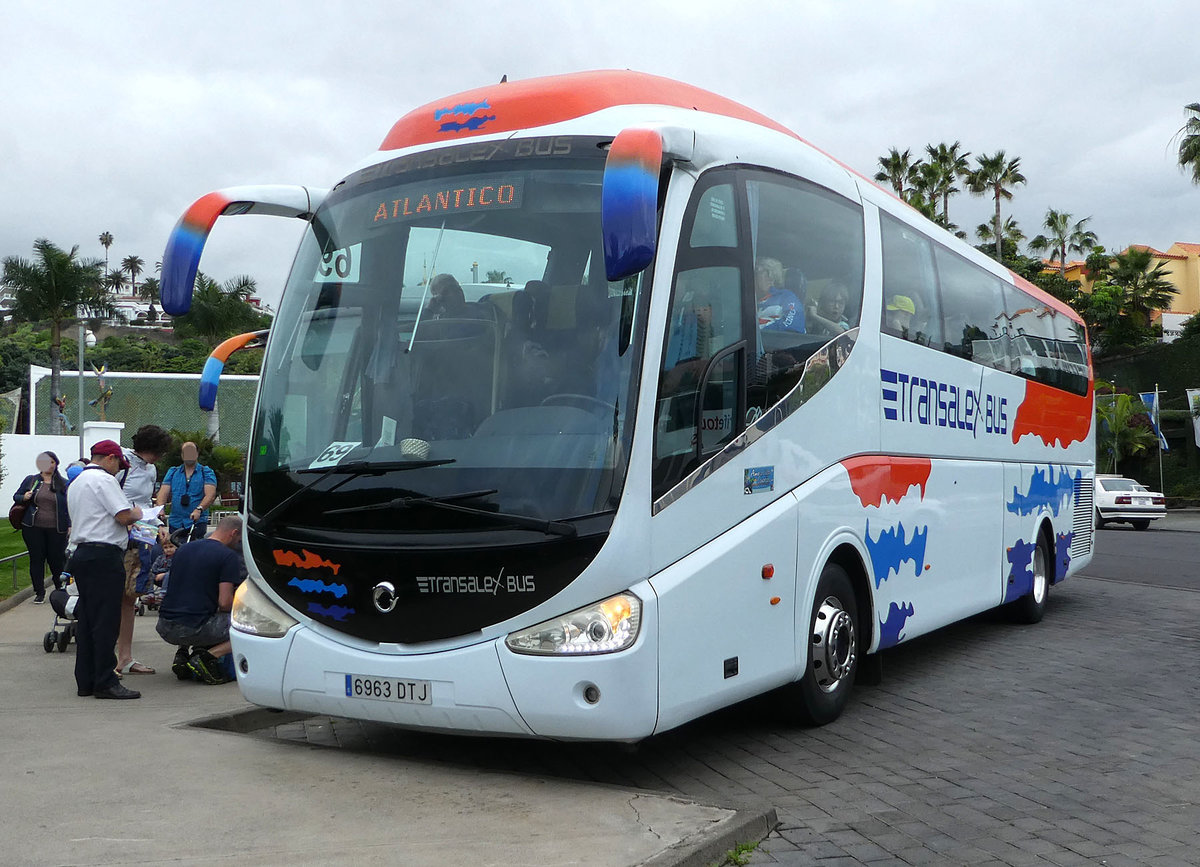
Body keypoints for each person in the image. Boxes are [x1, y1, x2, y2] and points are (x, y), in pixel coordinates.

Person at [66, 440, 144, 700]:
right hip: (104, 555)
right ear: (110, 458)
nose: (117, 471)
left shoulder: (76, 483)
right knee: (106, 621)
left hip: (83, 553)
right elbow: (122, 516)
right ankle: (105, 681)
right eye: (117, 465)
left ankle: (85, 680)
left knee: (88, 620)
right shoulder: (104, 480)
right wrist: (138, 512)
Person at [155, 515, 244, 684]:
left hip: (165, 626)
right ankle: (206, 657)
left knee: (195, 607)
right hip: (193, 628)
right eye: (239, 539)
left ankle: (182, 655)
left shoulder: (184, 549)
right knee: (250, 627)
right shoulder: (227, 556)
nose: (238, 544)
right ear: (234, 533)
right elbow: (224, 603)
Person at [115, 424, 172, 677]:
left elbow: (147, 503)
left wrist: (158, 525)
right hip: (118, 535)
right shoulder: (120, 463)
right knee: (115, 598)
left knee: (132, 597)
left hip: (142, 535)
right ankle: (111, 657)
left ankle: (124, 657)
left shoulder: (151, 469)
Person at [12, 451, 70, 603]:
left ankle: (60, 589)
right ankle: (39, 592)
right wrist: (24, 497)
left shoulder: (63, 483)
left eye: (52, 462)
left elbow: (70, 506)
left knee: (56, 559)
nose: (49, 465)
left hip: (56, 528)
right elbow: (16, 496)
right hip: (33, 527)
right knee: (36, 559)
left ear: (56, 464)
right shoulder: (31, 481)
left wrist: (70, 524)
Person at [156, 441, 217, 542]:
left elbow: (210, 495)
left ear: (197, 454)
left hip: (196, 522)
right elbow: (163, 492)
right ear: (182, 455)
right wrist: (160, 508)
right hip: (176, 522)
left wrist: (199, 509)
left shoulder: (206, 472)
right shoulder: (173, 471)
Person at [755, 257, 805, 334]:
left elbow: (792, 327)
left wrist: (757, 334)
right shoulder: (745, 301)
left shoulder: (787, 297)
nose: (753, 277)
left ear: (770, 278)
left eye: (757, 272)